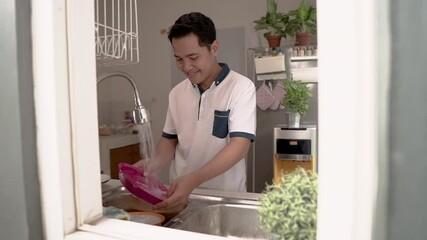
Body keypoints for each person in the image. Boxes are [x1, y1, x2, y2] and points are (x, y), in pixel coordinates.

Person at [134, 12, 256, 210]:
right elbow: (169, 140)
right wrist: (154, 163)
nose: (186, 67)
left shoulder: (241, 87)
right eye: (179, 59)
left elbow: (239, 147)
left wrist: (193, 180)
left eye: (193, 57)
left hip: (224, 199)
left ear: (214, 48)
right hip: (180, 195)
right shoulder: (176, 93)